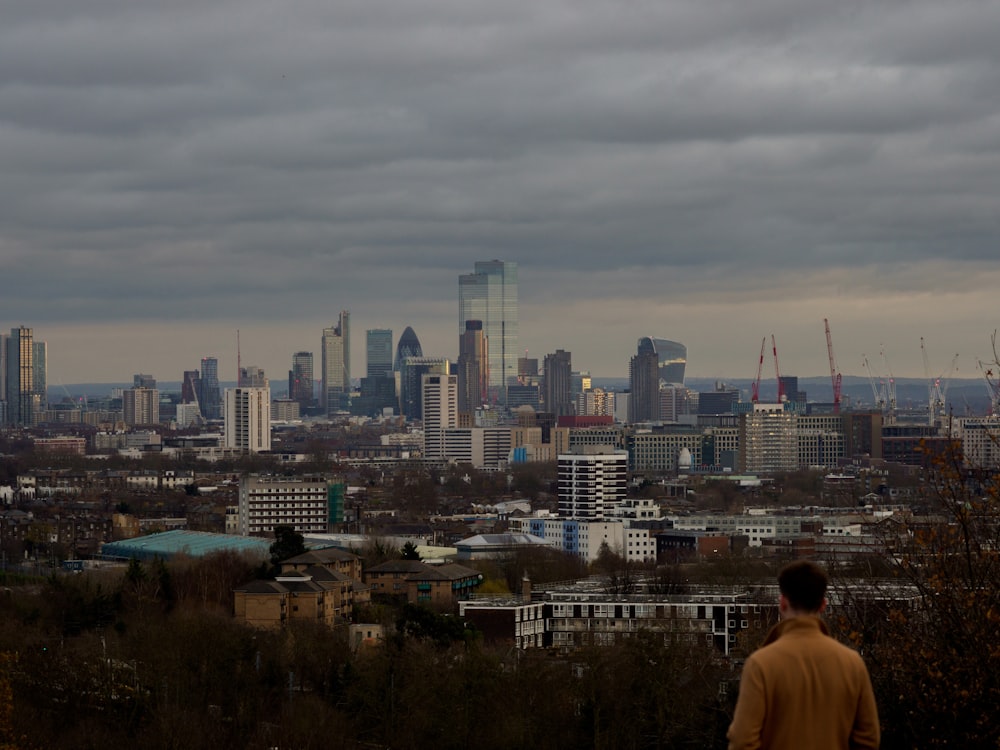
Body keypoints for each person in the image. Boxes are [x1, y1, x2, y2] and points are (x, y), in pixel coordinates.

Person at [727, 560, 880, 750]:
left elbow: (743, 740)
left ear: (782, 602)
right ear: (823, 605)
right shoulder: (852, 663)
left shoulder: (761, 664)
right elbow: (869, 738)